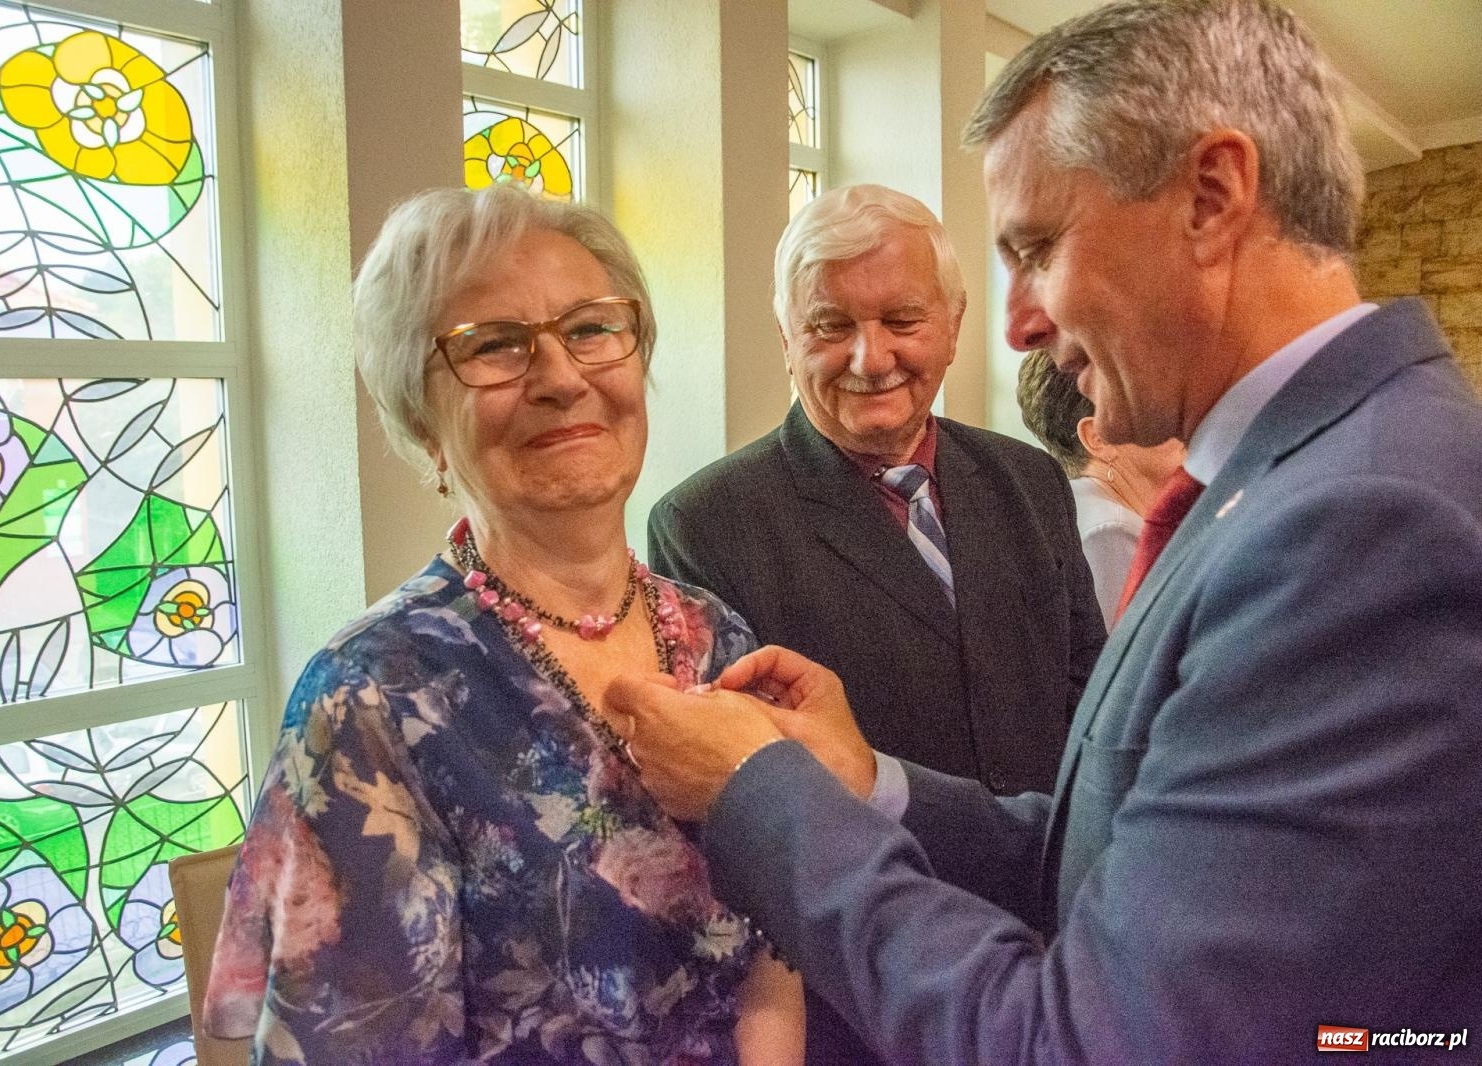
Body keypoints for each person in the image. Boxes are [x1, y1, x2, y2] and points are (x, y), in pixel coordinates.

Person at [604, 1, 1482, 1062]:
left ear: (1211, 198)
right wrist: (869, 780)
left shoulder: (1361, 525)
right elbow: (1120, 855)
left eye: (1038, 248)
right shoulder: (1318, 475)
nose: (1020, 321)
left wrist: (760, 793)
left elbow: (1104, 1041)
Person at [202, 185, 802, 1064]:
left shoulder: (716, 636)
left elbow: (776, 955)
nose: (561, 378)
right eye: (493, 345)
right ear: (422, 422)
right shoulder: (371, 698)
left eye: (590, 329)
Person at [646, 184, 1106, 1063]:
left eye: (902, 319)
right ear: (787, 338)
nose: (871, 357)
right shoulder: (707, 524)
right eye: (830, 326)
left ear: (954, 324)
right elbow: (747, 796)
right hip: (868, 994)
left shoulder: (1028, 480)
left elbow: (1089, 710)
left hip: (1061, 960)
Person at [1015, 349, 1185, 626]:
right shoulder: (1110, 531)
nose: (1181, 417)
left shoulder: (1077, 503)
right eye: (1153, 404)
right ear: (1099, 438)